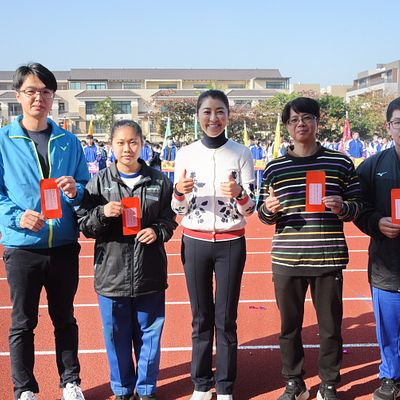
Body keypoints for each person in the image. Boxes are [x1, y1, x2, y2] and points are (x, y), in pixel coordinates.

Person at [257, 97, 363, 400]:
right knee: (289, 328)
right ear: (287, 126)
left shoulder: (340, 163)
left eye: (306, 118)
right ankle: (295, 383)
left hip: (327, 257)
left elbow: (358, 205)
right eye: (293, 120)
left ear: (318, 122)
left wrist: (343, 207)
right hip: (287, 259)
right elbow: (263, 215)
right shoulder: (274, 168)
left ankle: (328, 384)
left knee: (330, 328)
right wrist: (268, 210)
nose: (300, 124)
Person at [0, 63, 89, 400]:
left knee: (65, 318)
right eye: (31, 91)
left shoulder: (69, 141)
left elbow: (85, 185)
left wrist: (75, 191)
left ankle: (71, 382)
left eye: (46, 92)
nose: (39, 98)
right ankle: (24, 389)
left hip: (63, 244)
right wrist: (17, 217)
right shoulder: (3, 141)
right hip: (22, 247)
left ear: (53, 96)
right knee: (23, 322)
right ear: (18, 95)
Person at [77, 120, 177, 400]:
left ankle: (146, 389)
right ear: (111, 146)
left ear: (142, 144)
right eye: (120, 143)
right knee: (116, 337)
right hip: (111, 274)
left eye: (133, 142)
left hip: (149, 272)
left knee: (150, 335)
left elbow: (170, 219)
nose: (127, 148)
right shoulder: (98, 183)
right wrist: (102, 213)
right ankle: (122, 389)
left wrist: (157, 231)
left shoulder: (159, 181)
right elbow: (84, 226)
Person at [171, 90, 256, 400]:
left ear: (228, 116)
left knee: (226, 318)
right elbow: (177, 208)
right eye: (207, 112)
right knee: (201, 317)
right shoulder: (185, 154)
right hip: (195, 242)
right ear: (198, 116)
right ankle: (200, 384)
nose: (213, 118)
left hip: (231, 244)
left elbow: (251, 209)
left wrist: (239, 193)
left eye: (220, 111)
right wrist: (179, 192)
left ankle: (225, 386)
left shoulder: (241, 153)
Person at [354, 97, 400, 400]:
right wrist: (375, 222)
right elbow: (358, 206)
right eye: (399, 122)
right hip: (387, 263)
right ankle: (390, 377)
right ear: (389, 126)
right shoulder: (373, 166)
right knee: (389, 328)